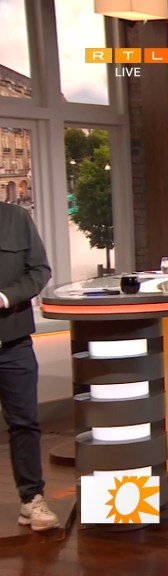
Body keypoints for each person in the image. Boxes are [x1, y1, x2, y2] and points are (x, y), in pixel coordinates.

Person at [0, 202, 59, 532]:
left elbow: (39, 270)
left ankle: (32, 500)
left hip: (14, 343)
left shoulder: (16, 218)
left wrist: (5, 297)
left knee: (24, 423)